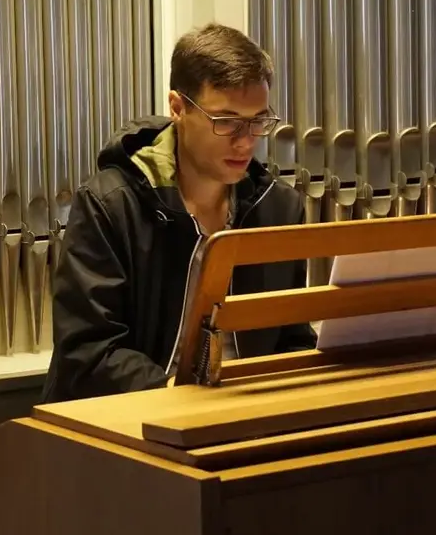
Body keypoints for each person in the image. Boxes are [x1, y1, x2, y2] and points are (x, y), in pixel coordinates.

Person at [41, 22, 315, 403]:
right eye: (226, 122)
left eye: (258, 121)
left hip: (245, 412)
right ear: (178, 107)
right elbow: (89, 353)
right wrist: (185, 400)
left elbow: (293, 339)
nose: (246, 141)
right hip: (134, 414)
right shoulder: (110, 204)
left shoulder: (279, 207)